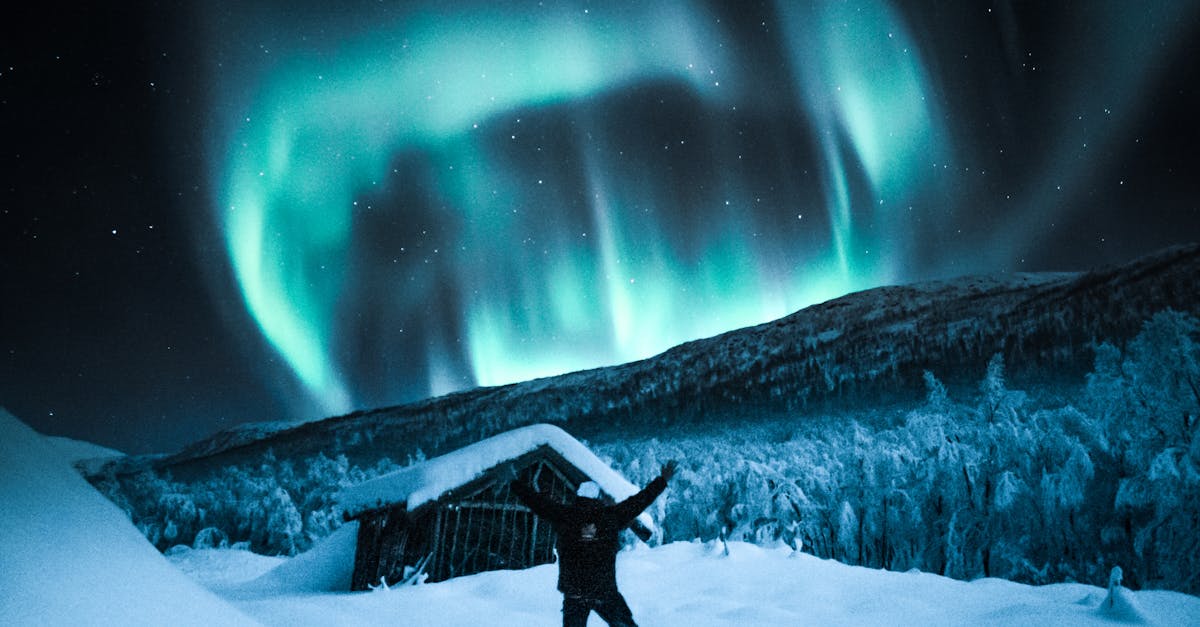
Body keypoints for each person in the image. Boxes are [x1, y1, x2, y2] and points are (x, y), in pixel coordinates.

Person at [509, 460, 678, 627]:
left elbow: (536, 502)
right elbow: (640, 501)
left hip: (574, 593)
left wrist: (514, 482)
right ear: (598, 498)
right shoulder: (611, 516)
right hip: (603, 591)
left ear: (579, 497)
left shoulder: (564, 516)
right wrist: (662, 480)